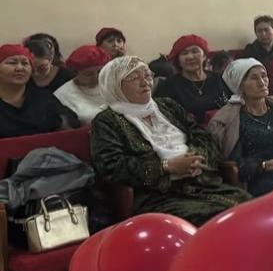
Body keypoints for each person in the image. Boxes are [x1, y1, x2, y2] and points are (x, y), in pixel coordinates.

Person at [90, 57, 249, 224]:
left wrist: (196, 158)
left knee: (249, 206)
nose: (145, 83)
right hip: (158, 195)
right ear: (115, 85)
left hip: (203, 184)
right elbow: (111, 167)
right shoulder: (107, 121)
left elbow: (203, 137)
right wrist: (166, 166)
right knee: (212, 220)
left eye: (147, 75)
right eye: (134, 78)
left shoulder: (167, 106)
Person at [208, 59, 273, 197]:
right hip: (257, 179)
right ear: (240, 85)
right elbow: (235, 165)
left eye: (264, 76)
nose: (262, 82)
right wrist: (270, 164)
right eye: (254, 78)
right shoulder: (229, 119)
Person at [0, 44, 77, 138]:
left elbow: (66, 129)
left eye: (25, 63)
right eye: (12, 63)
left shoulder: (44, 99)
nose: (20, 68)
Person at [155, 35, 232, 122]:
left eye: (195, 51)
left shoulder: (218, 78)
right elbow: (164, 118)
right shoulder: (169, 85)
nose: (190, 57)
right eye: (184, 53)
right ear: (178, 61)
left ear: (204, 56)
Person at [55, 44, 112, 124]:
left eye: (100, 72)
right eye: (88, 74)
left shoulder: (112, 85)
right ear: (75, 73)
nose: (96, 78)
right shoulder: (62, 95)